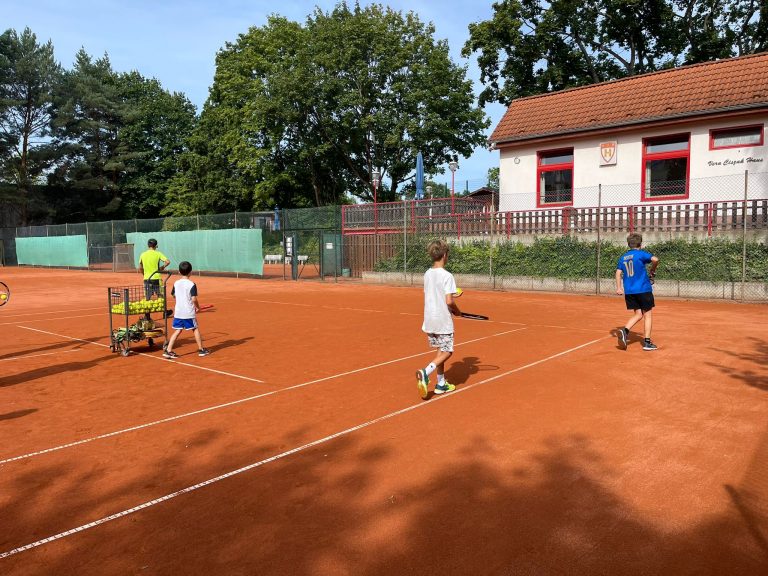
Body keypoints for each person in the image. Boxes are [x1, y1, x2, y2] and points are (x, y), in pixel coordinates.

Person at [416, 239, 461, 399]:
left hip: (429, 319)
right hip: (442, 320)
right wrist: (457, 311)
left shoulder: (427, 274)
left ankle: (441, 384)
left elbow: (434, 292)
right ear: (445, 255)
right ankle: (425, 372)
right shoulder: (448, 276)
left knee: (440, 350)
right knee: (448, 351)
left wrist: (452, 293)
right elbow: (449, 301)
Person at [616, 233, 659, 351]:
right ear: (640, 244)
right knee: (647, 314)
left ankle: (624, 331)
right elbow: (655, 259)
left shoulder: (623, 257)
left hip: (630, 291)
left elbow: (618, 272)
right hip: (643, 289)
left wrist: (619, 287)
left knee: (638, 314)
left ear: (629, 244)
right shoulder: (640, 254)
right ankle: (647, 342)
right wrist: (653, 269)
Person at [163, 261, 210, 359]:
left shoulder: (176, 283)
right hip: (188, 313)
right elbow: (194, 299)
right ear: (190, 272)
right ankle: (201, 350)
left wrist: (180, 298)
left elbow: (173, 295)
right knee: (195, 329)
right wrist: (198, 307)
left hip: (178, 312)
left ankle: (168, 350)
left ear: (179, 272)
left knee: (178, 330)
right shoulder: (191, 284)